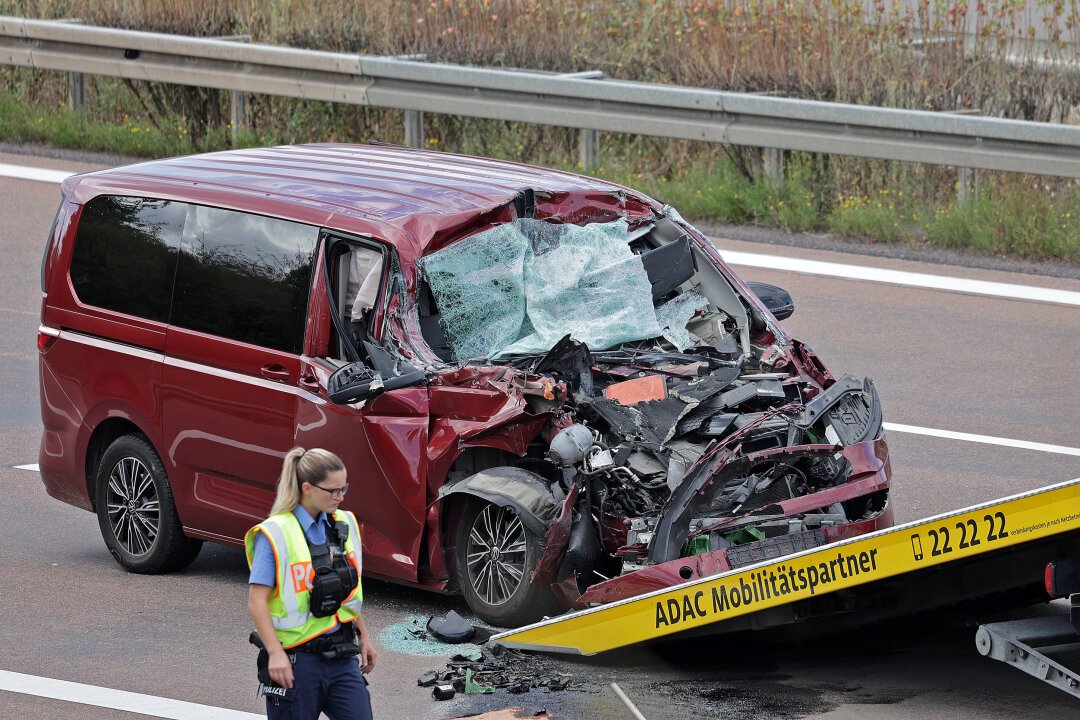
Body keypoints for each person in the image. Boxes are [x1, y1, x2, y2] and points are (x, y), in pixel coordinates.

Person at [246, 447, 376, 719]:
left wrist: (363, 636)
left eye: (344, 489)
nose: (340, 497)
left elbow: (345, 592)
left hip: (341, 657)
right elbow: (256, 602)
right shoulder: (275, 533)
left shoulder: (344, 524)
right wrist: (275, 654)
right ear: (307, 488)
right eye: (333, 491)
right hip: (297, 662)